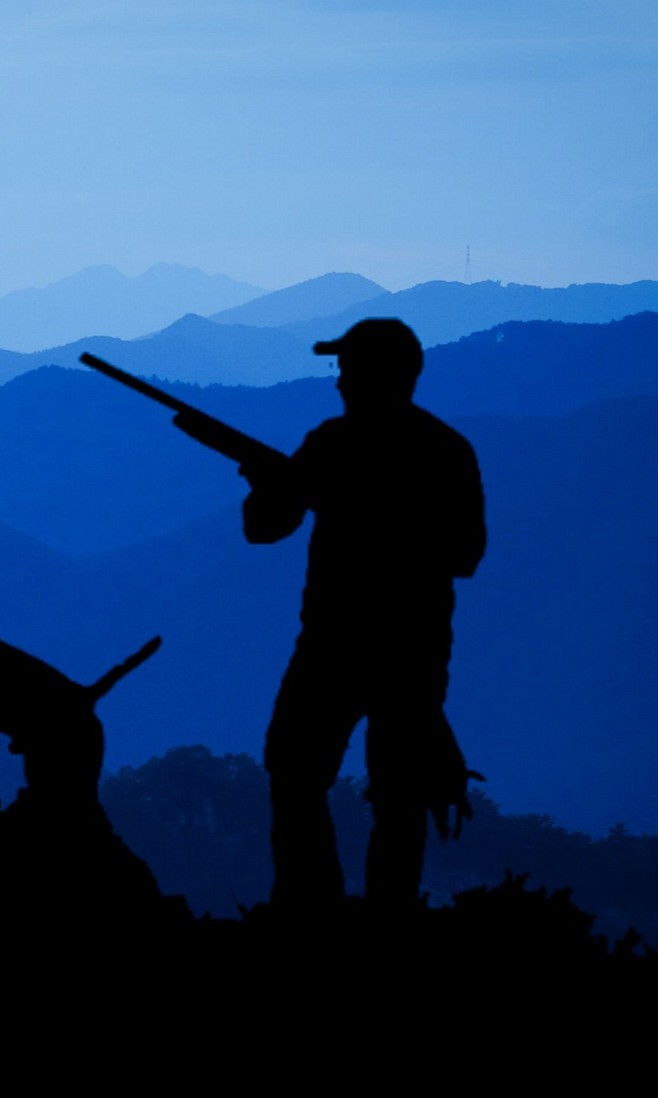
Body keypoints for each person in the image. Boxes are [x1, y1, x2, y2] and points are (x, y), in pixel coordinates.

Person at [240, 318, 486, 911]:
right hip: (412, 649)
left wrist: (280, 490)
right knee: (389, 794)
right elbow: (466, 555)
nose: (340, 382)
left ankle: (310, 909)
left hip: (336, 646)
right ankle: (381, 916)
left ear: (381, 374)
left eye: (348, 369)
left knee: (302, 775)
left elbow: (264, 528)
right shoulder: (443, 448)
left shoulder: (333, 444)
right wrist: (271, 484)